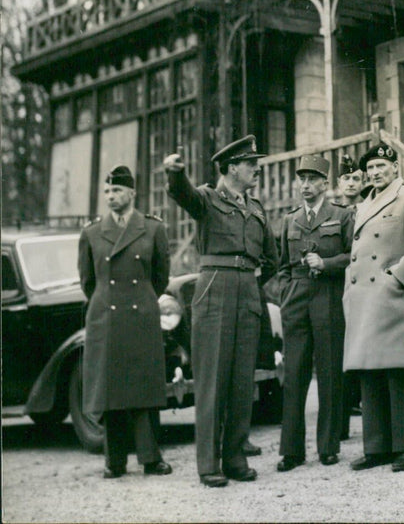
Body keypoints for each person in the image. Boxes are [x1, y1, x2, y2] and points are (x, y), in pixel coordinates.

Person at [164, 136, 278, 487]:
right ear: (231, 168)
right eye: (250, 164)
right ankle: (208, 464)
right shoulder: (208, 199)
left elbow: (272, 260)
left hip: (247, 293)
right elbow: (184, 195)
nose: (256, 169)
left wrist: (251, 282)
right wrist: (175, 175)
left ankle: (235, 458)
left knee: (242, 381)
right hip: (214, 289)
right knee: (212, 380)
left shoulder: (256, 208)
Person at [343, 143, 404, 473]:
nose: (375, 173)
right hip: (363, 301)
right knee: (369, 373)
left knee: (398, 373)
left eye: (381, 166)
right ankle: (376, 448)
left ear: (395, 167)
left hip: (392, 297)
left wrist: (396, 278)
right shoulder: (364, 203)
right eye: (370, 169)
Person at [78, 164, 172, 479]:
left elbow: (160, 277)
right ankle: (114, 462)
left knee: (144, 390)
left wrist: (144, 301)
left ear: (132, 193)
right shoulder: (91, 232)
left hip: (141, 316)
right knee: (110, 390)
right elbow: (88, 282)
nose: (110, 197)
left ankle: (150, 458)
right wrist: (106, 302)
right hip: (106, 317)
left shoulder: (153, 228)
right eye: (106, 191)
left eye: (116, 190)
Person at [276, 153, 354, 471]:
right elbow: (281, 265)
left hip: (329, 297)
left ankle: (328, 446)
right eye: (302, 179)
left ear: (325, 183)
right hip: (296, 300)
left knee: (330, 374)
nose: (306, 185)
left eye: (312, 179)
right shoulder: (289, 220)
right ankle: (291, 451)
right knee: (294, 375)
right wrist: (286, 295)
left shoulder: (342, 216)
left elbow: (353, 256)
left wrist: (327, 264)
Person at [336, 156, 365, 441]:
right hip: (339, 281)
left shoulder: (368, 206)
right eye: (347, 179)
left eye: (356, 178)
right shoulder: (333, 212)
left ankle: (363, 399)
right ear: (339, 183)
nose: (352, 183)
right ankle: (345, 406)